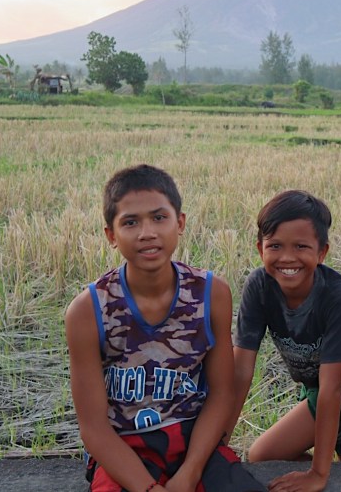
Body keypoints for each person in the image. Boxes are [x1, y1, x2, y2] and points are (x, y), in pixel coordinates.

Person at [65, 164, 264, 492]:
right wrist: (148, 489)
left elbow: (221, 393)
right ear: (111, 235)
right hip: (124, 449)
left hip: (193, 443)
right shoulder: (88, 311)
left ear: (180, 223)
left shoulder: (211, 294)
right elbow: (94, 428)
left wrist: (190, 472)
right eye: (131, 222)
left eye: (159, 218)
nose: (147, 232)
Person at [227, 190, 341, 492]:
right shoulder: (259, 287)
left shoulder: (340, 297)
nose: (287, 258)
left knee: (264, 455)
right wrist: (219, 443)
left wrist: (318, 473)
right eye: (275, 246)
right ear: (260, 248)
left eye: (301, 246)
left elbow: (332, 389)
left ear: (322, 252)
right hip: (320, 385)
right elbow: (240, 372)